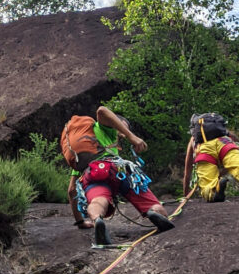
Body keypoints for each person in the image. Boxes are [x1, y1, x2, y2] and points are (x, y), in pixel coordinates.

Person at [64, 105, 174, 246]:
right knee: (146, 199)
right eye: (123, 127)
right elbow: (102, 110)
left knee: (98, 201)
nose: (122, 133)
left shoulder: (83, 153)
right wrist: (132, 137)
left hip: (91, 172)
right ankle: (154, 211)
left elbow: (71, 191)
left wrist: (80, 222)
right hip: (118, 167)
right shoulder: (105, 128)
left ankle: (97, 219)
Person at [183, 112, 239, 202]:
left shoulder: (193, 140)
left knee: (207, 182)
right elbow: (235, 143)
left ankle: (214, 189)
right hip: (226, 143)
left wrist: (185, 195)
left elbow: (187, 171)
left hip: (205, 150)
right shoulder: (223, 132)